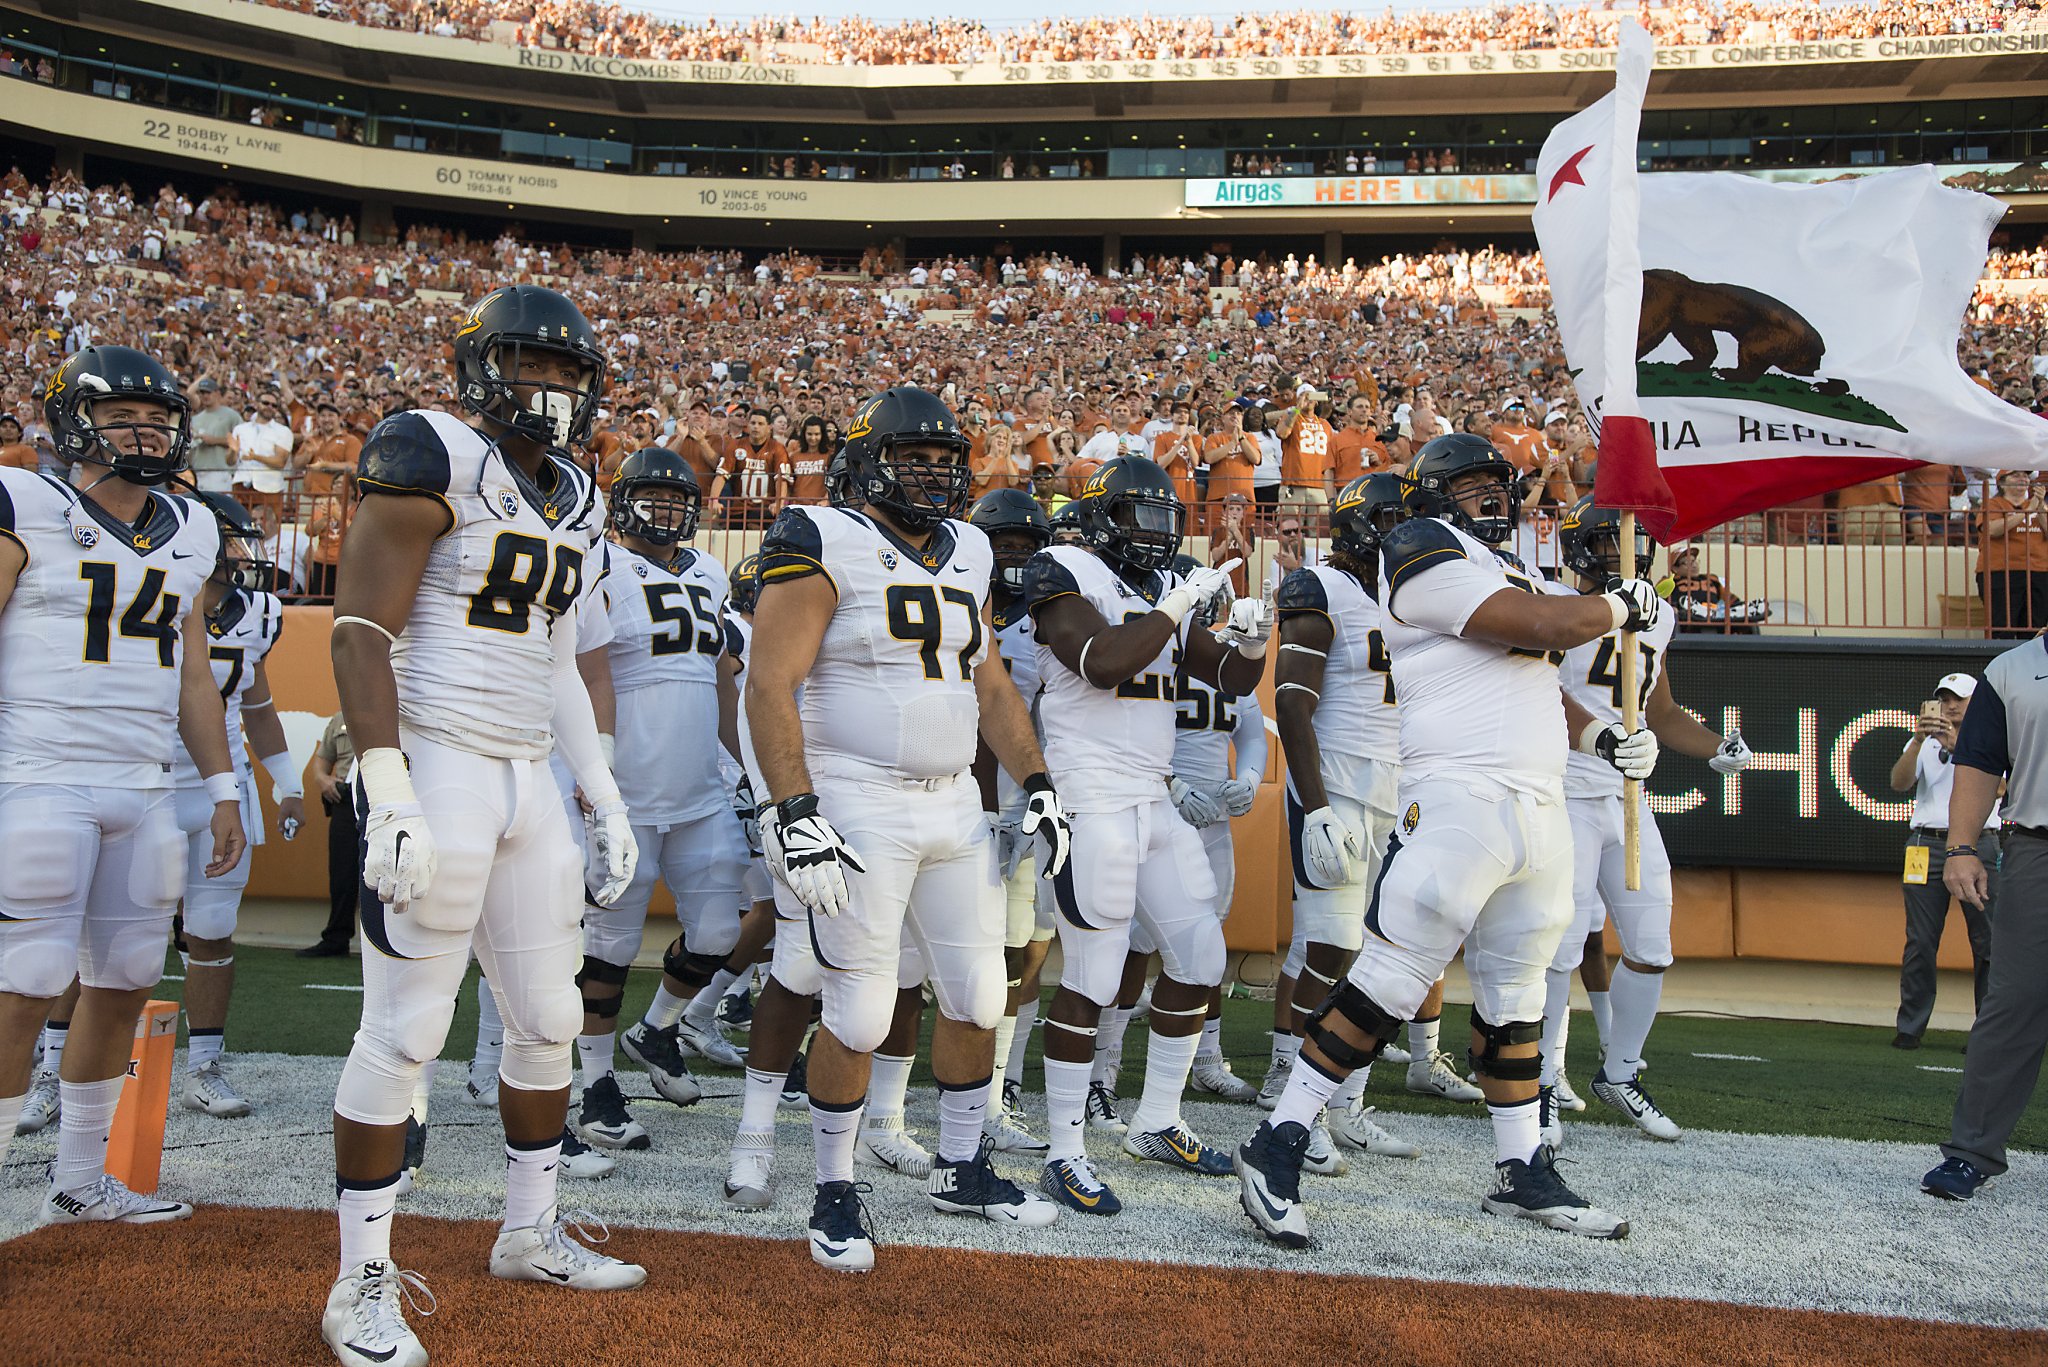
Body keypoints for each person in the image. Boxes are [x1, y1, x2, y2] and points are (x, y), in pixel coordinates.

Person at [322, 285, 644, 1367]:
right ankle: (359, 1282)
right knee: (406, 1031)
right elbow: (361, 628)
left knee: (548, 1016)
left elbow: (555, 662)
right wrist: (389, 784)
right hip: (440, 761)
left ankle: (528, 1229)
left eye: (565, 372)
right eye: (528, 365)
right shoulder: (431, 450)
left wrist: (598, 790)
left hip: (525, 773)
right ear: (478, 364)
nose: (548, 389)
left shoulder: (579, 495)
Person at [1236, 433, 1660, 1248]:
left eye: (1497, 485)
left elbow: (1533, 661)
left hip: (1537, 801)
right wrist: (1614, 605)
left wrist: (1603, 738)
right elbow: (1535, 623)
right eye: (1470, 487)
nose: (1492, 499)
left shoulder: (1513, 565)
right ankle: (1276, 1140)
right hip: (1459, 796)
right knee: (1390, 978)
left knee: (1518, 994)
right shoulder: (1418, 550)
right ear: (1432, 497)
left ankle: (1522, 1166)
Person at [745, 385, 1068, 1273]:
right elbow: (769, 683)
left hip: (954, 797)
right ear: (866, 460)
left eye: (944, 459)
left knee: (979, 992)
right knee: (857, 1001)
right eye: (912, 456)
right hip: (857, 796)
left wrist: (1036, 779)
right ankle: (834, 1185)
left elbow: (990, 681)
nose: (932, 473)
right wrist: (794, 807)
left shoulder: (968, 548)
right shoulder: (821, 535)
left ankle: (963, 1164)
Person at [0, 345, 247, 1224]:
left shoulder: (191, 526)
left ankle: (78, 1181)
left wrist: (222, 785)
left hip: (143, 786)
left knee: (129, 975)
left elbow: (192, 675)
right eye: (120, 416)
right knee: (24, 981)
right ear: (75, 422)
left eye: (156, 415)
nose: (145, 430)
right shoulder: (22, 499)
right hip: (38, 776)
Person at [1024, 455, 1271, 1215]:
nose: (1158, 534)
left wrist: (1254, 640)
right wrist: (1177, 608)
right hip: (1088, 796)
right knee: (1093, 974)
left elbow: (1225, 677)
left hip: (1152, 795)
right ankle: (1064, 1151)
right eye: (1141, 517)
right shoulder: (1060, 568)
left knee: (1198, 954)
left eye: (1167, 518)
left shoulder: (1165, 587)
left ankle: (1157, 1118)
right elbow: (1102, 662)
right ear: (1102, 517)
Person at [1540, 497, 1754, 1149]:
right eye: (1608, 543)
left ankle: (1619, 1071)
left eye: (1629, 544)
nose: (1623, 556)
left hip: (1625, 798)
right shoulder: (1548, 599)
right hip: (1565, 788)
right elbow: (1541, 691)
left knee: (1652, 945)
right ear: (1578, 547)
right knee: (1560, 947)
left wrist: (1716, 745)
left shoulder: (1654, 614)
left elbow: (1657, 709)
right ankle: (1542, 1080)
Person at [573, 448, 750, 1156]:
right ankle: (593, 1081)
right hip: (630, 786)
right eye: (654, 495)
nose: (669, 509)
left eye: (680, 497)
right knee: (608, 942)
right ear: (623, 501)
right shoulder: (601, 566)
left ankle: (657, 1028)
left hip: (700, 787)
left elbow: (725, 677)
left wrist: (745, 769)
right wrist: (598, 776)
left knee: (717, 933)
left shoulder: (709, 571)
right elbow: (584, 672)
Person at [1268, 473, 1429, 1167]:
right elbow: (1292, 703)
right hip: (1332, 777)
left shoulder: (1412, 599)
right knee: (1332, 946)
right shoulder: (1322, 588)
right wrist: (1317, 807)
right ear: (1361, 524)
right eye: (1393, 520)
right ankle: (1289, 1098)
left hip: (1395, 786)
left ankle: (1346, 1100)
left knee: (1378, 952)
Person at [172, 491, 304, 1120]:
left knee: (214, 928)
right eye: (230, 540)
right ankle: (56, 1063)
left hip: (224, 786)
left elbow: (257, 706)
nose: (241, 554)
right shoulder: (151, 594)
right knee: (109, 933)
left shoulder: (259, 613)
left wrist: (288, 782)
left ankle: (203, 1065)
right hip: (149, 777)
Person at [1921, 636, 2048, 1201]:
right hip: (2038, 848)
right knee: (2015, 999)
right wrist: (1962, 848)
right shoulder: (2013, 668)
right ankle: (1971, 1152)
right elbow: (1977, 761)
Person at [968, 488, 1057, 1154]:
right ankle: (985, 1092)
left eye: (1029, 545)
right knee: (993, 953)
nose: (1018, 557)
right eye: (1007, 545)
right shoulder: (972, 611)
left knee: (1031, 946)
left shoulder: (1058, 615)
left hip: (1049, 800)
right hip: (995, 801)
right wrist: (984, 805)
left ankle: (1006, 1078)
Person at [1164, 554, 1269, 1110]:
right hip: (1158, 809)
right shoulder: (1155, 652)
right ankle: (1102, 1075)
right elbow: (1131, 734)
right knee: (1130, 947)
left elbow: (1253, 732)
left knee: (1210, 940)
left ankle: (1206, 1060)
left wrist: (1248, 778)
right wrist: (1173, 787)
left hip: (1212, 819)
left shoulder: (1228, 664)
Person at [1888, 673, 1998, 1051]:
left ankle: (1987, 1030)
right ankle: (1910, 1026)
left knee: (1987, 940)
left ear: (1976, 702)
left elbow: (2004, 789)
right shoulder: (1923, 741)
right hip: (1926, 843)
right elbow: (1898, 783)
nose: (1950, 706)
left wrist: (1959, 745)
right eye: (1944, 699)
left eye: (1959, 699)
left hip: (1978, 844)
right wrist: (1919, 740)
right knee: (1920, 940)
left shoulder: (1992, 738)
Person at [299, 712, 357, 958]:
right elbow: (321, 763)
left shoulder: (400, 710)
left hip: (384, 799)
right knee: (342, 873)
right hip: (345, 801)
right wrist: (323, 780)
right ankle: (337, 938)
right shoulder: (339, 719)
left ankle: (394, 943)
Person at [1978, 470, 2048, 639]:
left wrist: (2039, 508)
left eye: (2025, 476)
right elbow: (1991, 529)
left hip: (2038, 572)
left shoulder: (2038, 506)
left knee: (2035, 629)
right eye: (2016, 475)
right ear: (2002, 483)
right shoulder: (1993, 504)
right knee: (2003, 628)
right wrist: (2025, 512)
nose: (2022, 479)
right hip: (2001, 572)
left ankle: (2031, 664)